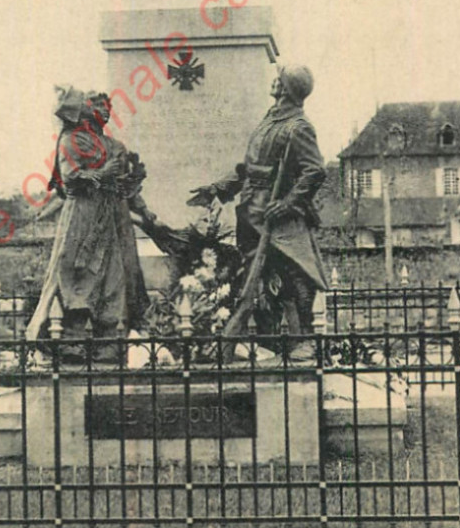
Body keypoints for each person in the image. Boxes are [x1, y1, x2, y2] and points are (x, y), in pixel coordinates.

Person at [187, 65, 327, 334]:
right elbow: (249, 168)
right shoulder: (270, 120)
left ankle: (306, 339)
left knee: (295, 272)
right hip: (252, 209)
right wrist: (218, 188)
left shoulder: (298, 126)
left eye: (280, 79)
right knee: (258, 275)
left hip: (278, 214)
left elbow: (315, 171)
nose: (275, 81)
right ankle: (268, 337)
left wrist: (288, 203)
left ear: (287, 88)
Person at [25, 87, 153, 342]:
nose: (105, 111)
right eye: (99, 106)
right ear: (85, 110)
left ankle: (109, 338)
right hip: (80, 214)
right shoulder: (70, 140)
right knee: (73, 269)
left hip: (109, 215)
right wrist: (102, 173)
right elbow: (70, 179)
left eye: (108, 107)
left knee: (112, 274)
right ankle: (67, 336)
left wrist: (143, 209)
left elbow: (125, 184)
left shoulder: (113, 145)